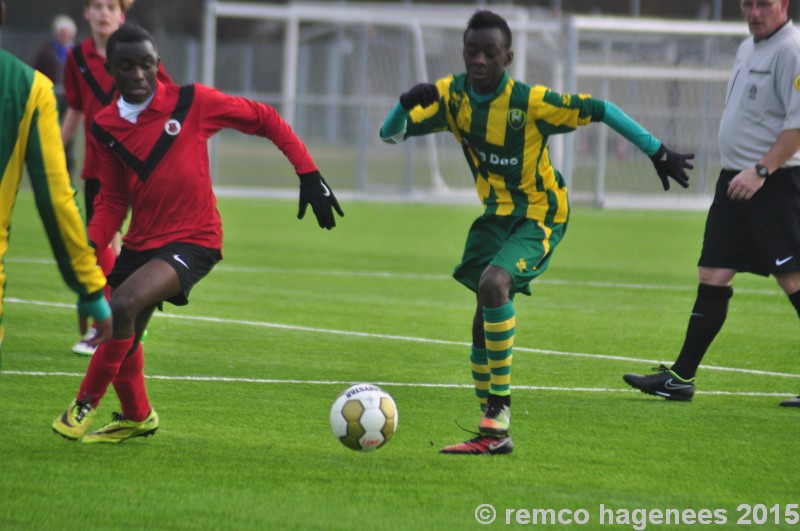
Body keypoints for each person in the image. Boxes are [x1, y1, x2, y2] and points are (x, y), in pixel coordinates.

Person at [380, 10, 693, 455]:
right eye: (473, 52)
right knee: (479, 327)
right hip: (495, 216)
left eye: (491, 52)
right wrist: (404, 103)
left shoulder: (531, 102)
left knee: (493, 284)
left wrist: (657, 151)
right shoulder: (451, 97)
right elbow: (389, 135)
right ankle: (491, 433)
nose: (480, 60)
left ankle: (498, 416)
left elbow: (601, 109)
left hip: (542, 213)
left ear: (508, 55)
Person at [51, 25, 344, 443]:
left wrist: (309, 173)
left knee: (124, 305)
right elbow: (113, 201)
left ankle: (83, 405)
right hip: (141, 241)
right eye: (126, 66)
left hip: (196, 237)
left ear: (158, 65)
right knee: (126, 334)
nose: (138, 74)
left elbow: (265, 118)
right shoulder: (103, 126)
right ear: (110, 70)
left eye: (146, 65)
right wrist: (89, 245)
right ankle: (138, 417)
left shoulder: (191, 102)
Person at [622, 0, 800, 407]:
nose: (754, 12)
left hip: (773, 182)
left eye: (764, 4)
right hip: (735, 181)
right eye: (747, 4)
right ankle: (680, 379)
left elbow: (798, 126)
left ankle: (681, 377)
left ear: (784, 3)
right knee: (713, 272)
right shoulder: (748, 46)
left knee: (793, 279)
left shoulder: (793, 49)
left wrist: (761, 170)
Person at [0, 0, 111, 358]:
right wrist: (91, 291)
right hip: (91, 160)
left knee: (111, 235)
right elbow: (54, 198)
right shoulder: (29, 85)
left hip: (107, 160)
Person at [62, 0, 170, 356]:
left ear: (123, 15)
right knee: (110, 244)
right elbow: (76, 107)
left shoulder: (141, 54)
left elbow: (167, 99)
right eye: (97, 6)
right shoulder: (76, 58)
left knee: (122, 245)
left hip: (138, 165)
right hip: (99, 166)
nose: (104, 12)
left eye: (111, 6)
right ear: (86, 13)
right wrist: (56, 149)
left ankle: (111, 327)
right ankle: (119, 324)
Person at [32, 14, 76, 173]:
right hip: (51, 98)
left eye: (67, 33)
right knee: (50, 135)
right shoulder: (46, 52)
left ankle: (68, 175)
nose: (64, 36)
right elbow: (36, 72)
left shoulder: (76, 54)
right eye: (61, 33)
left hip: (70, 101)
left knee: (69, 140)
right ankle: (50, 171)